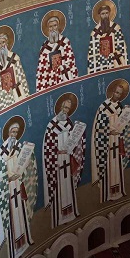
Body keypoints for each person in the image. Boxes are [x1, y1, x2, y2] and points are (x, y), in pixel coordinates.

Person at [0, 117, 37, 258]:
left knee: (22, 212)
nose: (14, 135)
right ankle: (14, 250)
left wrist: (27, 156)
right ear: (8, 132)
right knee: (13, 216)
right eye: (12, 132)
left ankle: (26, 240)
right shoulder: (1, 152)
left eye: (16, 132)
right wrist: (8, 178)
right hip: (9, 190)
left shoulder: (19, 146)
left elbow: (27, 164)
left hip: (19, 184)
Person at [43, 94, 86, 228]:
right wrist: (57, 151)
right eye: (64, 107)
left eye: (68, 108)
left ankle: (71, 212)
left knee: (68, 185)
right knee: (59, 187)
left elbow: (75, 140)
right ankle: (59, 217)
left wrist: (79, 135)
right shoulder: (51, 125)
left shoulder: (69, 123)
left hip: (67, 158)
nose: (65, 110)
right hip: (57, 161)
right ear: (59, 107)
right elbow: (48, 146)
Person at [92, 79, 130, 202]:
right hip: (107, 142)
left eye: (120, 94)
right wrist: (109, 132)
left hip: (117, 140)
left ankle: (119, 191)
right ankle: (107, 193)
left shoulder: (120, 107)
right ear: (112, 92)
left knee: (117, 165)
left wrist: (128, 119)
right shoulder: (103, 107)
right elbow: (98, 128)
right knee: (108, 166)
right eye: (116, 93)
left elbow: (124, 123)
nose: (118, 95)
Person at [0, 26, 31, 115]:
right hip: (3, 100)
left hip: (17, 95)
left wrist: (22, 92)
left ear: (7, 43)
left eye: (3, 42)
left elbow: (22, 79)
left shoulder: (15, 58)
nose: (2, 45)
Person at [36, 11, 79, 91]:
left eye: (55, 25)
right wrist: (49, 73)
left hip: (63, 78)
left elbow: (70, 61)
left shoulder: (64, 42)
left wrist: (61, 68)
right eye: (50, 26)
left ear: (58, 26)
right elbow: (41, 68)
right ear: (48, 28)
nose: (53, 29)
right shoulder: (44, 47)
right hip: (51, 80)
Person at [87, 0, 128, 73]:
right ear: (99, 15)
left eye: (106, 13)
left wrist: (115, 54)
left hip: (115, 60)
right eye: (103, 14)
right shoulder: (95, 33)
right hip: (102, 62)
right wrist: (102, 56)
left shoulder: (116, 28)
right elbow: (92, 52)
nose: (105, 15)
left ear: (109, 13)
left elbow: (121, 46)